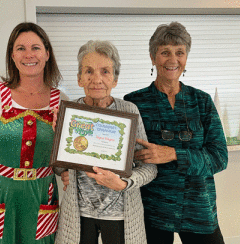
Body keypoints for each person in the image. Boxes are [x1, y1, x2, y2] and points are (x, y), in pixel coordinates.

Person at [124, 22, 228, 244]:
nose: (173, 60)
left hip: (198, 209)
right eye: (164, 52)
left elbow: (219, 158)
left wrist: (173, 154)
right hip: (151, 212)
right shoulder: (133, 103)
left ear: (186, 57)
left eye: (179, 52)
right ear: (153, 57)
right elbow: (122, 156)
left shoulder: (202, 101)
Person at [0, 22, 68, 244]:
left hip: (42, 195)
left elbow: (65, 150)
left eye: (35, 47)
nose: (28, 55)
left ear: (46, 53)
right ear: (12, 56)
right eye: (20, 48)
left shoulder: (61, 100)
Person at [54, 40, 157, 244]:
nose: (96, 79)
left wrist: (124, 183)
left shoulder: (129, 111)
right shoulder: (69, 112)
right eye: (89, 71)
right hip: (78, 216)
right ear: (79, 78)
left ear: (115, 80)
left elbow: (150, 168)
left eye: (105, 71)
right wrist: (61, 159)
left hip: (122, 215)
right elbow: (58, 166)